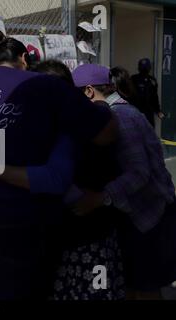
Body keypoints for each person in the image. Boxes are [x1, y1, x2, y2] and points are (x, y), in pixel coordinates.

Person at [0, 31, 117, 300]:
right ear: (25, 59)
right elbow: (106, 134)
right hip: (10, 220)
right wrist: (102, 108)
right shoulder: (46, 86)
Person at [72, 64, 176, 300]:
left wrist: (100, 198)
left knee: (145, 287)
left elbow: (139, 173)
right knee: (132, 283)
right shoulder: (121, 112)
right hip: (141, 215)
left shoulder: (120, 117)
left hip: (149, 217)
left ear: (89, 91)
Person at [131, 58, 164, 127]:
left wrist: (158, 111)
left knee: (149, 131)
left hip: (148, 112)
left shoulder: (152, 80)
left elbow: (154, 97)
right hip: (136, 111)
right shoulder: (133, 79)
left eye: (145, 68)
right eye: (143, 67)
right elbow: (128, 95)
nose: (144, 70)